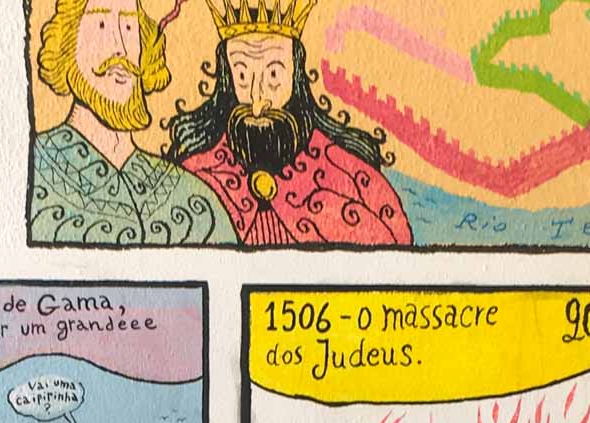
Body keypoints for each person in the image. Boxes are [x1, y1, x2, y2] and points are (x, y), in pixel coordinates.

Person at [163, 0, 410, 245]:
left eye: (273, 74)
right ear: (227, 77)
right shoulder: (197, 177)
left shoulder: (351, 179)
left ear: (296, 73)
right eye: (242, 75)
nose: (258, 99)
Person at [30, 0, 236, 244]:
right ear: (68, 42)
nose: (120, 48)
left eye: (129, 27)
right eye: (102, 25)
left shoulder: (197, 202)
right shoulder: (33, 171)